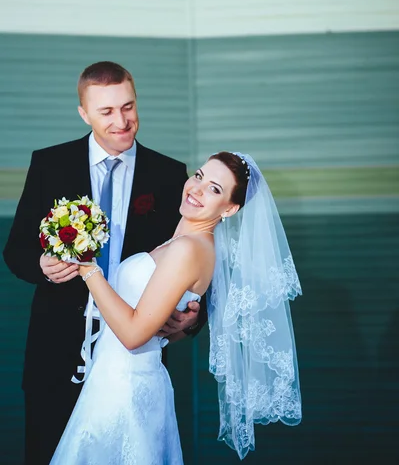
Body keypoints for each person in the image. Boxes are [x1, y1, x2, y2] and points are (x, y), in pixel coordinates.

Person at [3, 62, 203, 465]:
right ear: (84, 113)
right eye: (107, 111)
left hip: (134, 359)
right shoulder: (49, 164)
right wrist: (42, 264)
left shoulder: (169, 175)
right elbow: (16, 251)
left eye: (128, 107)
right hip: (55, 357)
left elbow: (192, 259)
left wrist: (194, 319)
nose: (122, 121)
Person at [50, 151, 302, 464]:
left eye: (214, 189)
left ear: (230, 208)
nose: (196, 189)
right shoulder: (181, 242)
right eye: (199, 176)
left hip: (126, 389)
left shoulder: (188, 249)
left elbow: (132, 335)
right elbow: (160, 324)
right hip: (113, 381)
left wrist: (87, 268)